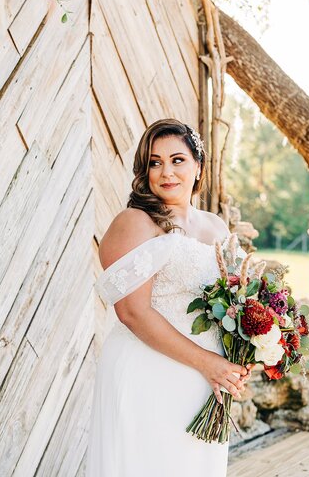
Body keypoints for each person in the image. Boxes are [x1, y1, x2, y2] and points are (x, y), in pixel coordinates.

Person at [86, 118, 254, 477]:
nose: (166, 172)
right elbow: (132, 312)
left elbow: (236, 301)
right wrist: (207, 363)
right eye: (155, 162)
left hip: (205, 380)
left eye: (177, 160)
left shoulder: (216, 227)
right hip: (150, 371)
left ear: (198, 167)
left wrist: (245, 352)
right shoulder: (134, 222)